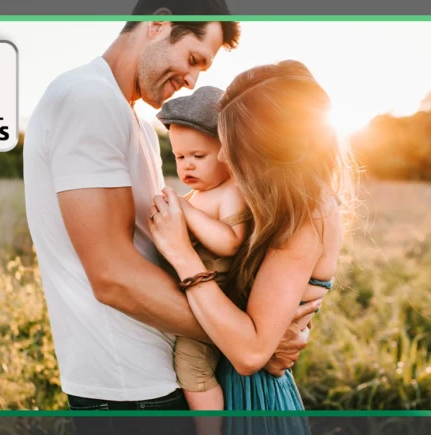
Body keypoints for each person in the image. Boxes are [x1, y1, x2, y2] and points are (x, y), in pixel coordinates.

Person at [22, 0, 321, 421]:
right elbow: (112, 277)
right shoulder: (88, 99)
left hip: (160, 374)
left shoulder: (137, 122)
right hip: (130, 388)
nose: (193, 80)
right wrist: (250, 339)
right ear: (158, 25)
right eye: (193, 59)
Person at [148, 59, 356, 417]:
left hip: (252, 397)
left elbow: (249, 353)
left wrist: (183, 255)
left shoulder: (308, 213)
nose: (223, 155)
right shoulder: (272, 203)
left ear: (270, 148)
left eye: (232, 144)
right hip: (224, 377)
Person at [155, 85, 250, 412]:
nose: (187, 166)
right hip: (192, 297)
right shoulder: (198, 195)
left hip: (216, 301)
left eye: (198, 156)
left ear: (227, 153)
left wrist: (187, 211)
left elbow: (231, 241)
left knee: (192, 368)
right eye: (180, 157)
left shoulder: (230, 191)